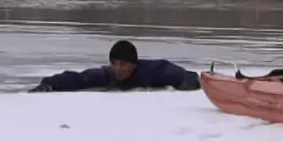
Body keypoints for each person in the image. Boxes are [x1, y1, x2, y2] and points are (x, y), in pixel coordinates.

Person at [30, 40, 202, 92]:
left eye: (123, 64)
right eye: (114, 63)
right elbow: (79, 78)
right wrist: (49, 83)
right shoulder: (107, 74)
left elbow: (188, 76)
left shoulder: (154, 70)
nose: (118, 68)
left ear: (133, 64)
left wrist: (185, 86)